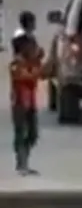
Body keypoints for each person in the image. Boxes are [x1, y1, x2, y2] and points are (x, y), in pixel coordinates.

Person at [9, 32, 44, 174]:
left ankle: (24, 162)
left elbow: (39, 73)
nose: (33, 48)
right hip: (19, 103)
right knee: (21, 134)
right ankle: (21, 163)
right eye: (30, 46)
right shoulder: (16, 63)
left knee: (32, 134)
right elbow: (25, 77)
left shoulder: (31, 62)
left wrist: (37, 61)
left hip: (31, 103)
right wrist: (36, 66)